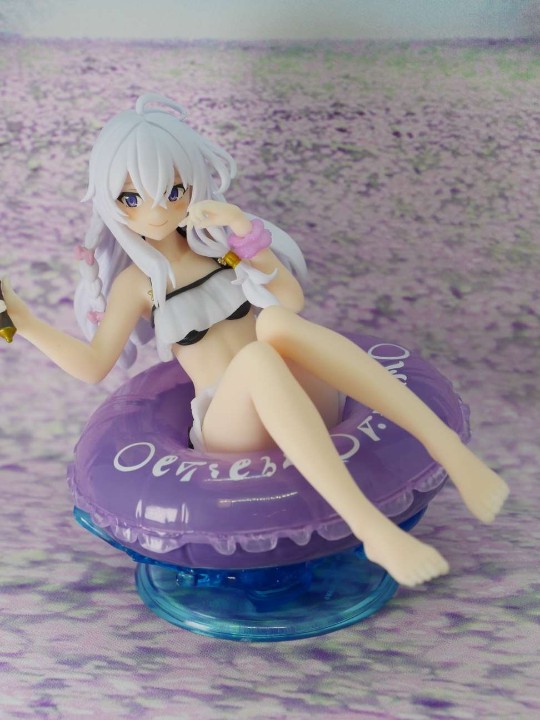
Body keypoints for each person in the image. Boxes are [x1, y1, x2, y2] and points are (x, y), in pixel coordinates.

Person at [1, 94, 509, 588]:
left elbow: (289, 300)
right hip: (231, 424)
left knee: (275, 326)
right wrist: (24, 321)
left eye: (173, 190)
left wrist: (244, 231)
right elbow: (94, 366)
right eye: (132, 198)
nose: (156, 211)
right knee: (258, 358)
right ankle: (372, 529)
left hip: (301, 399)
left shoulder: (220, 249)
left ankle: (448, 449)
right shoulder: (138, 285)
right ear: (112, 203)